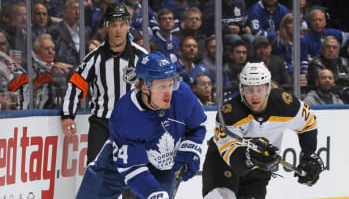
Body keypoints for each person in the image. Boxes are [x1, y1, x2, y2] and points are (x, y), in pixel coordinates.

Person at [76, 52, 207, 198]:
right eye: (162, 86)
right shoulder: (126, 114)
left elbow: (198, 126)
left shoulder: (182, 95)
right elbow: (133, 169)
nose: (168, 93)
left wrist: (191, 147)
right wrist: (152, 193)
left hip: (161, 164)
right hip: (119, 163)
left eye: (171, 84)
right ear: (145, 87)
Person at [202, 62, 324, 199]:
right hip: (221, 166)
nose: (255, 96)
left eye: (259, 90)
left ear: (268, 89)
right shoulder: (229, 114)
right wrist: (250, 157)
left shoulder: (286, 105)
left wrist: (309, 156)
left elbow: (308, 123)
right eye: (250, 90)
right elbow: (233, 158)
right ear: (242, 90)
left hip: (258, 172)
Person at [61, 3, 148, 164]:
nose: (118, 30)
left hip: (133, 123)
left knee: (134, 173)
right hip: (101, 125)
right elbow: (76, 86)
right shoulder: (94, 58)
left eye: (122, 25)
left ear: (128, 26)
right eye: (114, 25)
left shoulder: (141, 57)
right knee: (96, 172)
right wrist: (68, 115)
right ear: (107, 27)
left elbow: (156, 87)